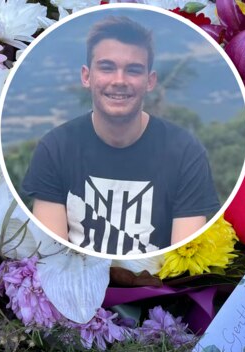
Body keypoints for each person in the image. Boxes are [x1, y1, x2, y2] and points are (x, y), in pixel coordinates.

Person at [22, 15, 220, 255]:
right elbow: (49, 255)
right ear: (87, 76)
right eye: (107, 67)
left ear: (150, 81)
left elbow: (186, 257)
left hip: (159, 289)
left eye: (133, 70)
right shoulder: (55, 148)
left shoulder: (186, 152)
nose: (119, 81)